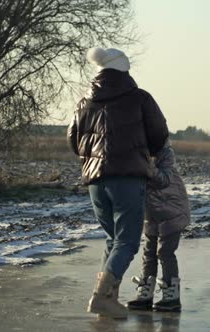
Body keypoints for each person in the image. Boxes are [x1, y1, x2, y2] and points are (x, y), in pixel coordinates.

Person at [67, 47, 169, 319]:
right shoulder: (140, 98)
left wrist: (93, 158)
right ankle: (101, 297)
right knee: (127, 241)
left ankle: (107, 300)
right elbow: (159, 134)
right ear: (124, 70)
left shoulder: (83, 102)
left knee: (113, 239)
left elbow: (74, 141)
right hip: (127, 177)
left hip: (95, 180)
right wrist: (146, 153)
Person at [126, 140, 190, 312]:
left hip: (172, 212)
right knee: (149, 253)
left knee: (165, 252)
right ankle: (145, 293)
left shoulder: (165, 157)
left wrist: (145, 166)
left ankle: (172, 296)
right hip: (152, 213)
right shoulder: (138, 155)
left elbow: (163, 179)